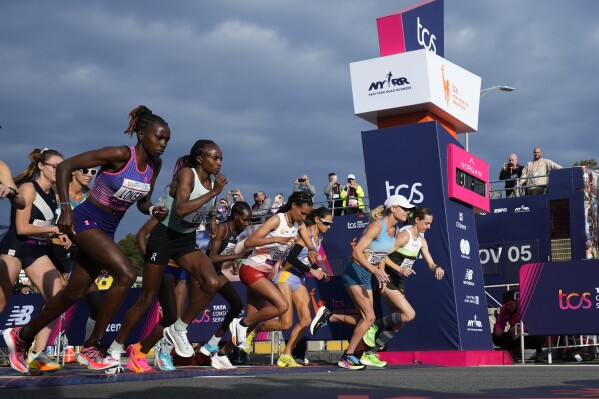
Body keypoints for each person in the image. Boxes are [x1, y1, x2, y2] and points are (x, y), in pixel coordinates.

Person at [3, 105, 170, 374]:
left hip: (108, 229)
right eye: (158, 137)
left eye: (166, 140)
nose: (162, 144)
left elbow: (143, 201)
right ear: (141, 134)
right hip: (85, 221)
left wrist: (152, 210)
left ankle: (22, 336)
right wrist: (67, 209)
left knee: (73, 294)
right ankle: (93, 347)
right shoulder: (118, 155)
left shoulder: (154, 165)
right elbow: (66, 167)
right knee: (125, 274)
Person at [107, 139, 224, 372]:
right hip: (163, 240)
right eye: (215, 157)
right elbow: (180, 209)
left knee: (212, 282)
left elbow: (197, 214)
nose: (219, 163)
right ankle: (114, 350)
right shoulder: (187, 175)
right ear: (200, 159)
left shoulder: (211, 181)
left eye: (221, 158)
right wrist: (214, 192)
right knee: (146, 300)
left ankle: (175, 331)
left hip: (186, 242)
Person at [310, 195, 413, 370]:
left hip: (367, 276)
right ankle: (347, 356)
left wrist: (379, 273)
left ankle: (329, 316)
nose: (407, 212)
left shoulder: (395, 230)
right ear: (393, 208)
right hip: (355, 273)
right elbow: (357, 253)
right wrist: (375, 271)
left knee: (366, 320)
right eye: (404, 208)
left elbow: (382, 254)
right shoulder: (376, 226)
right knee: (369, 317)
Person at [0, 148, 71, 373]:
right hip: (16, 248)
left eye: (62, 167)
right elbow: (21, 228)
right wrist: (53, 229)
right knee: (1, 301)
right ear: (41, 166)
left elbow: (43, 229)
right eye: (54, 166)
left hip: (37, 251)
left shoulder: (57, 194)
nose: (59, 171)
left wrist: (58, 235)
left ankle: (36, 353)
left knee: (58, 298)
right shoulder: (29, 188)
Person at [228, 191, 320, 352]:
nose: (305, 217)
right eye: (303, 213)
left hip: (263, 273)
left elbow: (307, 238)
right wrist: (276, 239)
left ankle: (222, 354)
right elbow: (250, 241)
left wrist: (312, 249)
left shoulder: (299, 223)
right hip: (251, 269)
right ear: (293, 206)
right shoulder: (278, 219)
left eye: (308, 214)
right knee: (282, 305)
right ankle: (240, 323)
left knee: (253, 322)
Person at [361, 206, 445, 365]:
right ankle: (374, 325)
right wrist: (399, 269)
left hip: (398, 282)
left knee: (398, 322)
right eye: (426, 223)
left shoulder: (422, 241)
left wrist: (437, 268)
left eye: (430, 224)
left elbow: (431, 263)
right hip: (386, 278)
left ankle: (369, 354)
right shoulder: (404, 236)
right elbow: (382, 254)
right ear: (417, 220)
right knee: (409, 314)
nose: (429, 227)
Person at [252, 206, 332, 367]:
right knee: (286, 323)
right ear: (317, 220)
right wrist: (312, 271)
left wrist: (319, 271)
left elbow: (307, 262)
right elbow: (292, 258)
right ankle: (252, 328)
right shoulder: (306, 234)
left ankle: (286, 355)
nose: (329, 227)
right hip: (286, 277)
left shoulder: (318, 239)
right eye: (326, 223)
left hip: (299, 279)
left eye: (330, 224)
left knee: (306, 320)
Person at [202, 201, 253, 369]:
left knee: (237, 304)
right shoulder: (223, 229)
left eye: (249, 220)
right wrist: (238, 256)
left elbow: (228, 251)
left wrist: (235, 262)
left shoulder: (236, 232)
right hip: (203, 273)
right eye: (245, 220)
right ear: (236, 216)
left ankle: (213, 342)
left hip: (216, 273)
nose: (247, 223)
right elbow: (211, 258)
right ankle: (164, 348)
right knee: (189, 313)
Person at [492, 290, 544, 363]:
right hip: (514, 334)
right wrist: (499, 329)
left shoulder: (525, 305)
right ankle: (515, 351)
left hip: (528, 333)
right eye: (506, 305)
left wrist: (521, 328)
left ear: (516, 301)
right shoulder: (503, 309)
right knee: (495, 336)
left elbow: (535, 322)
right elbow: (500, 322)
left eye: (510, 304)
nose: (509, 307)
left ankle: (539, 352)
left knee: (539, 336)